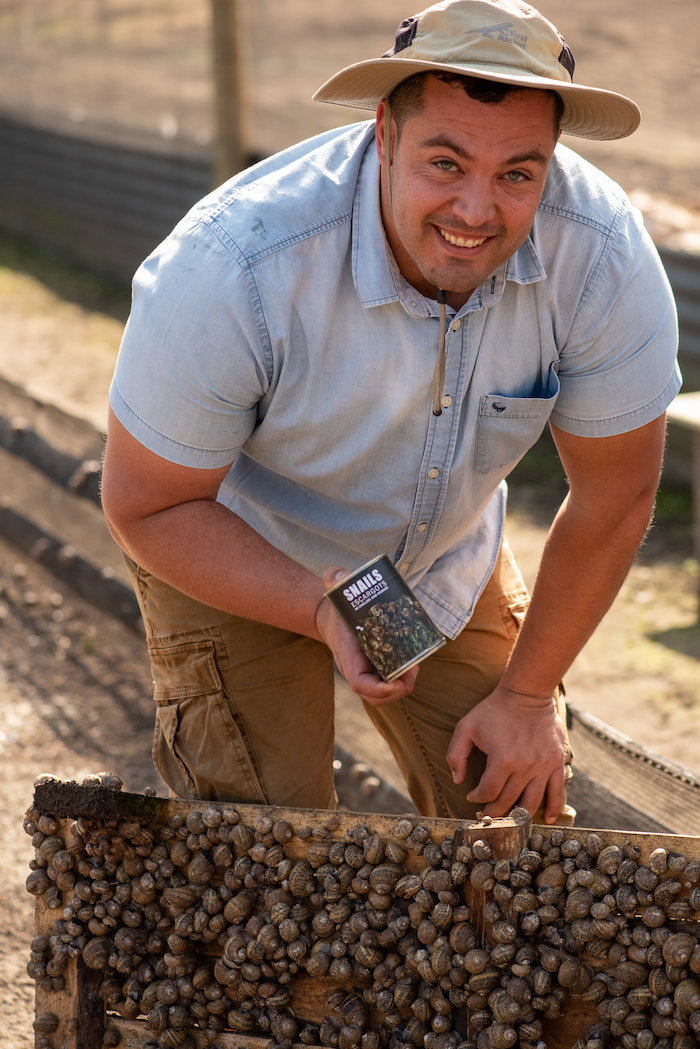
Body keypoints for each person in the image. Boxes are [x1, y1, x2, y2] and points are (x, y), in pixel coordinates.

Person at [101, 0, 680, 825]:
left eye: (519, 172)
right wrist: (316, 605)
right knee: (274, 868)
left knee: (514, 835)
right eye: (445, 163)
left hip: (431, 562)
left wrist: (525, 695)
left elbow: (613, 496)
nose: (477, 211)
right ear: (384, 134)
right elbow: (146, 502)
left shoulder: (600, 255)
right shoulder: (237, 265)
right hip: (241, 545)